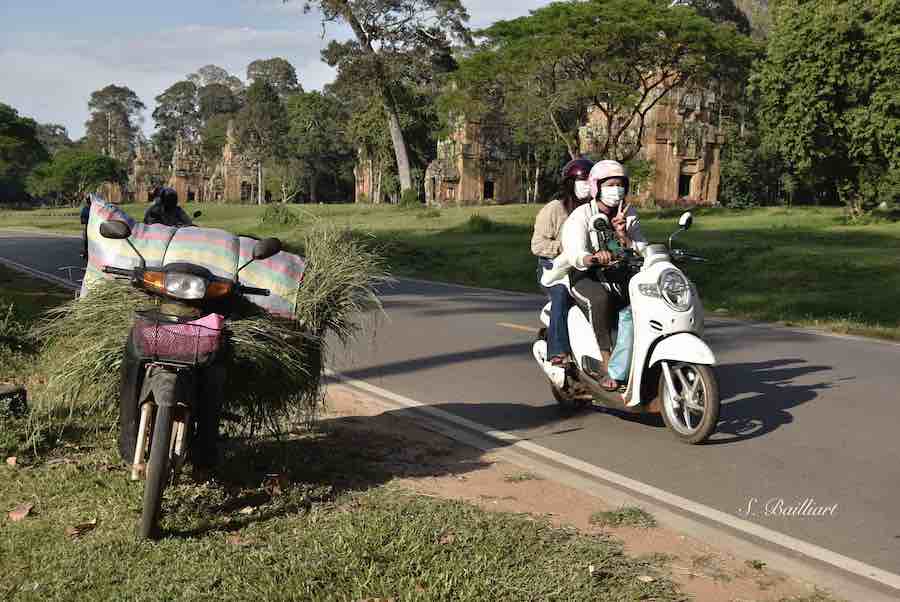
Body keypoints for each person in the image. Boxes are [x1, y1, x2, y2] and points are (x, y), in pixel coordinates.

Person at [558, 160, 647, 390]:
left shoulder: (629, 214)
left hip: (618, 274)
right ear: (597, 187)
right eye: (610, 184)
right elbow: (575, 252)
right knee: (600, 300)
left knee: (643, 300)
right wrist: (592, 258)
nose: (616, 189)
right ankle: (607, 363)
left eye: (620, 184)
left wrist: (623, 235)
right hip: (585, 275)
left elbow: (641, 248)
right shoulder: (582, 215)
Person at [531, 158, 594, 366]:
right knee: (561, 295)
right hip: (554, 270)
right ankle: (557, 351)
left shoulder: (595, 210)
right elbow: (538, 245)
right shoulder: (554, 209)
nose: (587, 185)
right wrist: (567, 247)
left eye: (590, 181)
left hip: (585, 268)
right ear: (569, 183)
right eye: (582, 180)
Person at [79, 195, 91, 259]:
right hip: (89, 227)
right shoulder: (85, 209)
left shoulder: (86, 209)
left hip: (93, 227)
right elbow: (82, 220)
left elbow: (82, 220)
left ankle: (86, 252)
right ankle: (86, 252)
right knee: (86, 240)